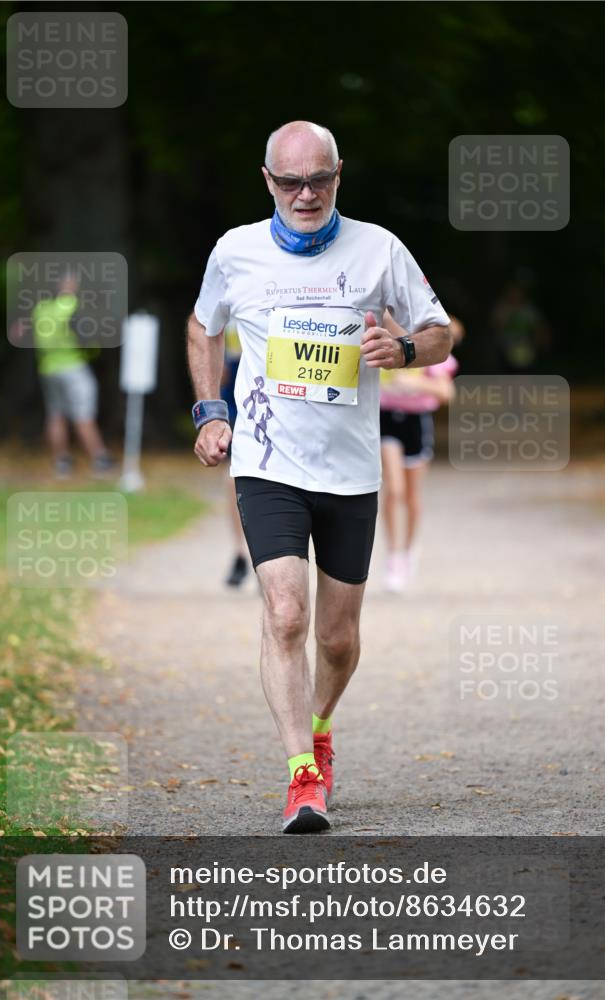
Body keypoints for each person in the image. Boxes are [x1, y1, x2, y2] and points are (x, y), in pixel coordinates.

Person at [187, 121, 451, 833]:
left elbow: (440, 331)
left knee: (336, 638)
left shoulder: (379, 248)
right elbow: (203, 326)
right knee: (284, 614)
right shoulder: (235, 251)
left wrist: (402, 348)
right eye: (290, 182)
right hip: (267, 464)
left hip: (350, 471)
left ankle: (321, 725)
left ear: (339, 175)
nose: (305, 194)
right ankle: (301, 775)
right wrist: (210, 411)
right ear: (267, 181)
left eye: (319, 179)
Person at [379, 314, 465, 592]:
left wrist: (413, 383)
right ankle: (393, 557)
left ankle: (408, 550)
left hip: (416, 422)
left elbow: (446, 393)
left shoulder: (426, 342)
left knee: (412, 495)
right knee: (394, 489)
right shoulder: (379, 338)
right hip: (385, 418)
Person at [32, 273, 114, 478]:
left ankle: (61, 462)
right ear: (69, 286)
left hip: (48, 367)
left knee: (55, 415)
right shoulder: (72, 306)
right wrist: (93, 350)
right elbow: (86, 336)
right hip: (73, 366)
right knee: (83, 414)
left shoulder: (41, 309)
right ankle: (99, 458)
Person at [221, 323, 249, 587]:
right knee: (232, 481)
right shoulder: (224, 310)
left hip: (270, 400)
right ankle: (240, 552)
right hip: (234, 404)